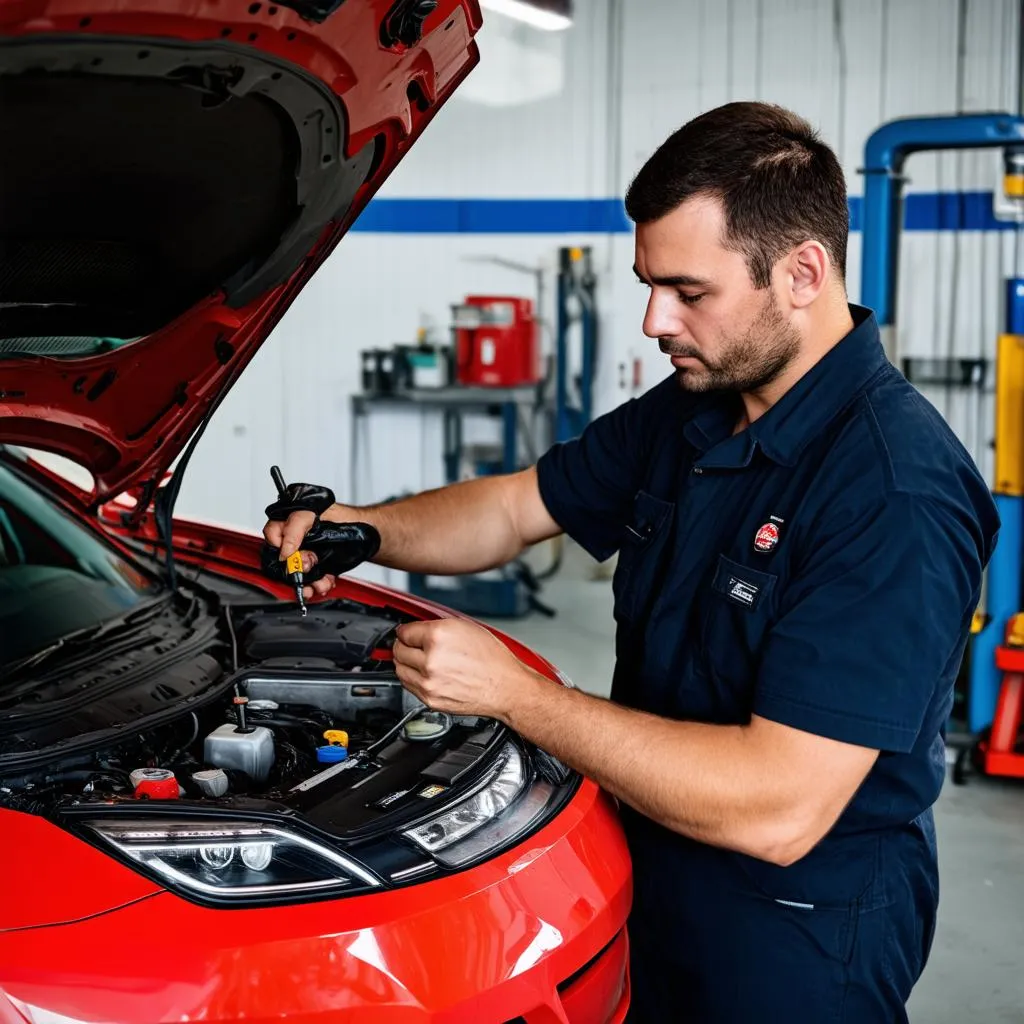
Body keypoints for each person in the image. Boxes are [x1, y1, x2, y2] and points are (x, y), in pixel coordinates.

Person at [263, 102, 999, 1022]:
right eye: (651, 284)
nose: (655, 321)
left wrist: (521, 697)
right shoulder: (695, 408)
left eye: (689, 292)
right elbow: (514, 506)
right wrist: (361, 529)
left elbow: (778, 807)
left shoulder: (894, 491)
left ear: (803, 273)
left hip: (793, 929)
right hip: (639, 863)